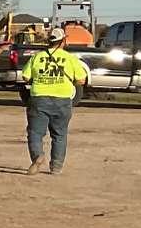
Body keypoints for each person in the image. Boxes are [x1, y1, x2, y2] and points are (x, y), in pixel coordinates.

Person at [21, 26, 90, 174]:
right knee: (59, 134)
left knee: (35, 133)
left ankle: (37, 156)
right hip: (62, 99)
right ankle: (56, 166)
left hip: (39, 98)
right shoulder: (70, 58)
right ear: (63, 41)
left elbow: (25, 77)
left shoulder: (37, 57)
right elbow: (82, 80)